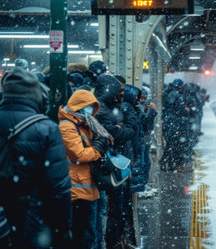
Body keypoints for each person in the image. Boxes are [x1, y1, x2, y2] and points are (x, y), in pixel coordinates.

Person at [0, 67, 72, 248]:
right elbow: (58, 189)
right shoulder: (46, 129)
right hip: (31, 222)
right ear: (36, 95)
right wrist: (62, 230)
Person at [59, 89, 112, 249]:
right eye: (88, 106)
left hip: (88, 187)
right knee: (81, 235)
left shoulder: (84, 124)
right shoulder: (67, 126)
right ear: (78, 106)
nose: (90, 110)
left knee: (89, 234)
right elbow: (79, 154)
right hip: (77, 190)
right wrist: (97, 151)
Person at [94, 74, 136, 249]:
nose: (121, 94)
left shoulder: (109, 107)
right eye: (119, 91)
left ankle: (115, 239)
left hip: (116, 163)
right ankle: (112, 242)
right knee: (113, 207)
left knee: (116, 206)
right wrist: (121, 129)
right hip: (109, 166)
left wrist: (119, 130)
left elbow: (120, 132)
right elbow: (115, 134)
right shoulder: (101, 109)